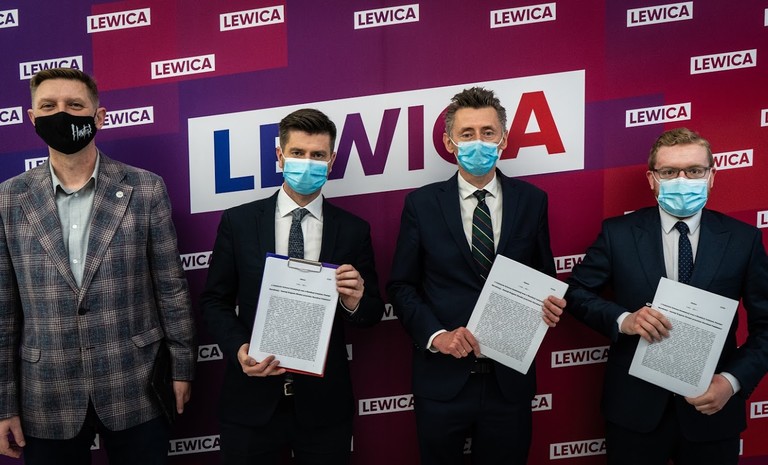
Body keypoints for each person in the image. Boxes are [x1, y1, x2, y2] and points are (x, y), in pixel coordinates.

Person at [0, 68, 196, 465]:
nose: (62, 114)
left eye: (75, 105)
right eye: (48, 106)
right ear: (32, 118)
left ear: (99, 116)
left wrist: (183, 369)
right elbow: (3, 311)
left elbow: (171, 288)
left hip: (136, 383)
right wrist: (4, 403)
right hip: (46, 394)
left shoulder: (145, 188)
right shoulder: (8, 199)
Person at [560, 127, 768, 464]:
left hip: (712, 410)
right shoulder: (618, 234)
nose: (682, 181)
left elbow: (766, 327)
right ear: (652, 179)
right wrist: (624, 320)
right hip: (634, 411)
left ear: (712, 176)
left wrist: (731, 383)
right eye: (669, 172)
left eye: (694, 171)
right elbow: (575, 292)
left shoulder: (744, 240)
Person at [386, 86, 566, 465]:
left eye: (488, 132)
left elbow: (543, 278)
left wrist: (550, 305)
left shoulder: (532, 200)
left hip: (509, 383)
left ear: (504, 139)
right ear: (449, 142)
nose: (478, 142)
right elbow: (401, 286)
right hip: (441, 381)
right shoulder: (421, 204)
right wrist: (437, 336)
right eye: (467, 134)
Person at [200, 108, 385, 465]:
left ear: (331, 161)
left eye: (317, 155)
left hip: (324, 406)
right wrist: (239, 349)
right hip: (251, 401)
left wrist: (354, 301)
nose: (307, 163)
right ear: (280, 156)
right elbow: (214, 301)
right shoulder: (239, 222)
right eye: (298, 153)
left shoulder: (353, 230)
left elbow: (372, 312)